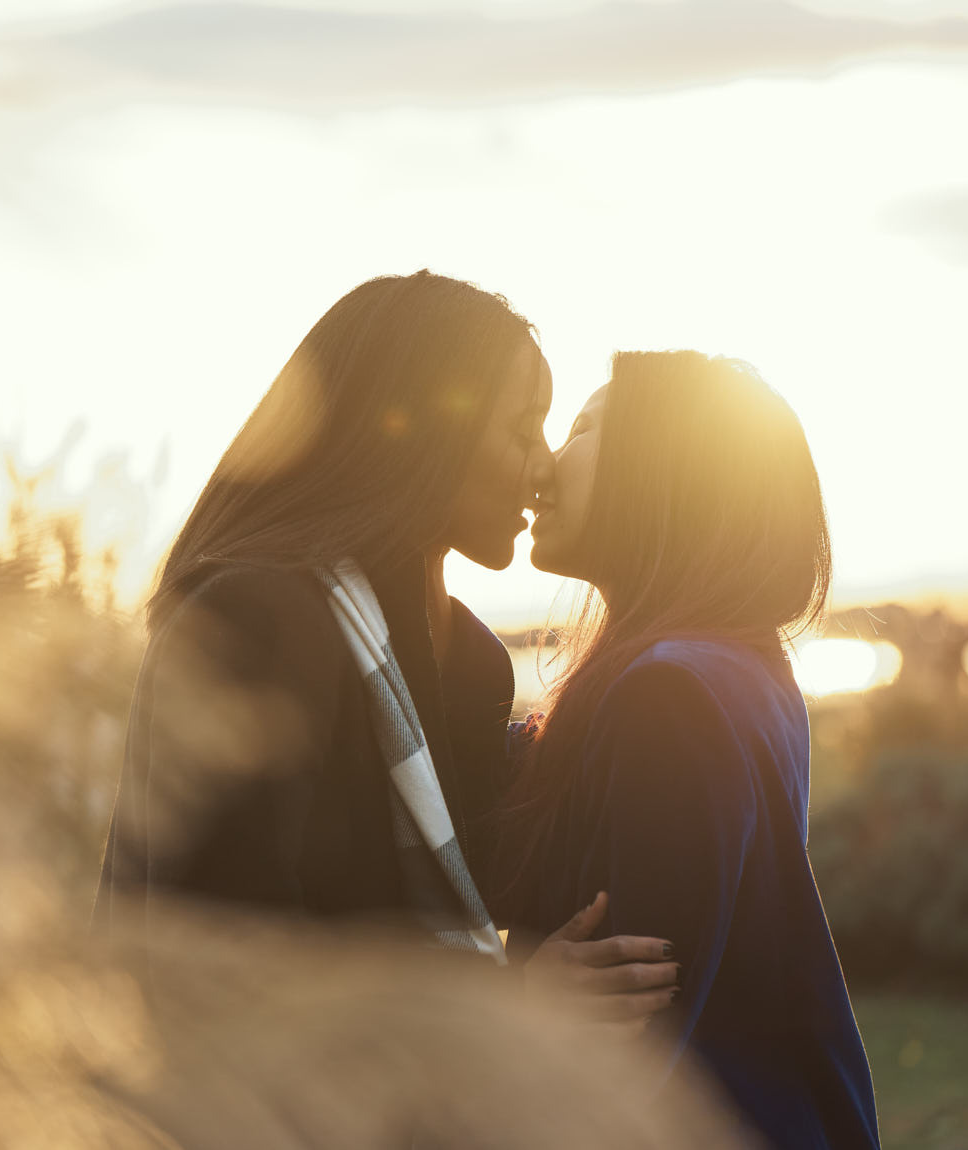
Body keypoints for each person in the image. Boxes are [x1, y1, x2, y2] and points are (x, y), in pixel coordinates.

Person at [96, 273, 677, 1016]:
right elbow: (223, 955)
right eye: (523, 428)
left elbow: (474, 889)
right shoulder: (258, 618)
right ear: (429, 431)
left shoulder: (472, 660)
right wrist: (512, 1001)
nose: (543, 468)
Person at [493, 350, 880, 1149]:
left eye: (580, 432)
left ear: (658, 469)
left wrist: (513, 1008)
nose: (544, 469)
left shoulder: (672, 694)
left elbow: (637, 1026)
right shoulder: (734, 663)